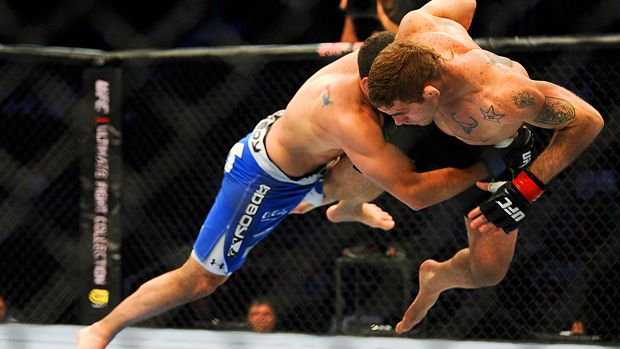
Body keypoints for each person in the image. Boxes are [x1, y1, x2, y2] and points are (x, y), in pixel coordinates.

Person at [76, 29, 499, 348]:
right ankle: (101, 327)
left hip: (313, 161)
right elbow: (414, 193)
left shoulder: (392, 57)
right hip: (263, 180)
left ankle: (343, 205)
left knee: (381, 164)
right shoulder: (351, 116)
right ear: (371, 84)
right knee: (201, 280)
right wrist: (482, 165)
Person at [365, 0, 604, 333]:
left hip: (494, 148)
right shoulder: (416, 27)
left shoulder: (506, 97)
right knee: (364, 155)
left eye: (401, 112)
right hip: (439, 129)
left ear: (431, 93)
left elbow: (589, 121)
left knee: (489, 271)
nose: (398, 122)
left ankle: (437, 276)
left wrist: (526, 189)